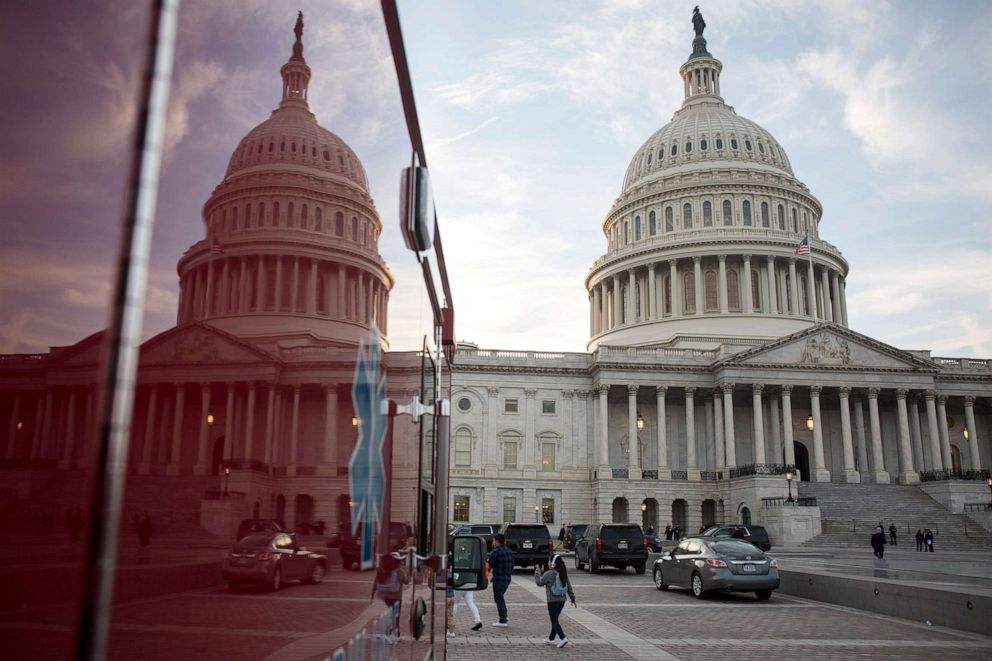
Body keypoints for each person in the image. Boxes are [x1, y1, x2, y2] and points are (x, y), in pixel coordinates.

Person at [535, 553, 576, 648]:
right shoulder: (563, 573)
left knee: (554, 620)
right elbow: (569, 587)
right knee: (555, 619)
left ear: (553, 564)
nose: (548, 563)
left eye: (549, 561)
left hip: (552, 601)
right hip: (562, 600)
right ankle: (551, 638)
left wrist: (537, 573)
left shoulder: (549, 574)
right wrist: (573, 599)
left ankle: (563, 638)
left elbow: (539, 583)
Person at [372, 553, 407, 636]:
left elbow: (375, 583)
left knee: (392, 613)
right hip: (396, 596)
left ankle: (390, 631)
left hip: (386, 597)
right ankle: (395, 633)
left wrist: (372, 593)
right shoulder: (399, 571)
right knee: (396, 616)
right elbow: (406, 581)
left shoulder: (382, 570)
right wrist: (407, 572)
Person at [488, 533, 513, 627]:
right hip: (507, 578)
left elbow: (489, 565)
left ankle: (502, 620)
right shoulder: (509, 551)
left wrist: (484, 575)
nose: (493, 542)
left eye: (494, 540)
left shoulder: (495, 552)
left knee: (498, 599)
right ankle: (505, 616)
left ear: (497, 541)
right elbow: (512, 565)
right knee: (501, 597)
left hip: (498, 579)